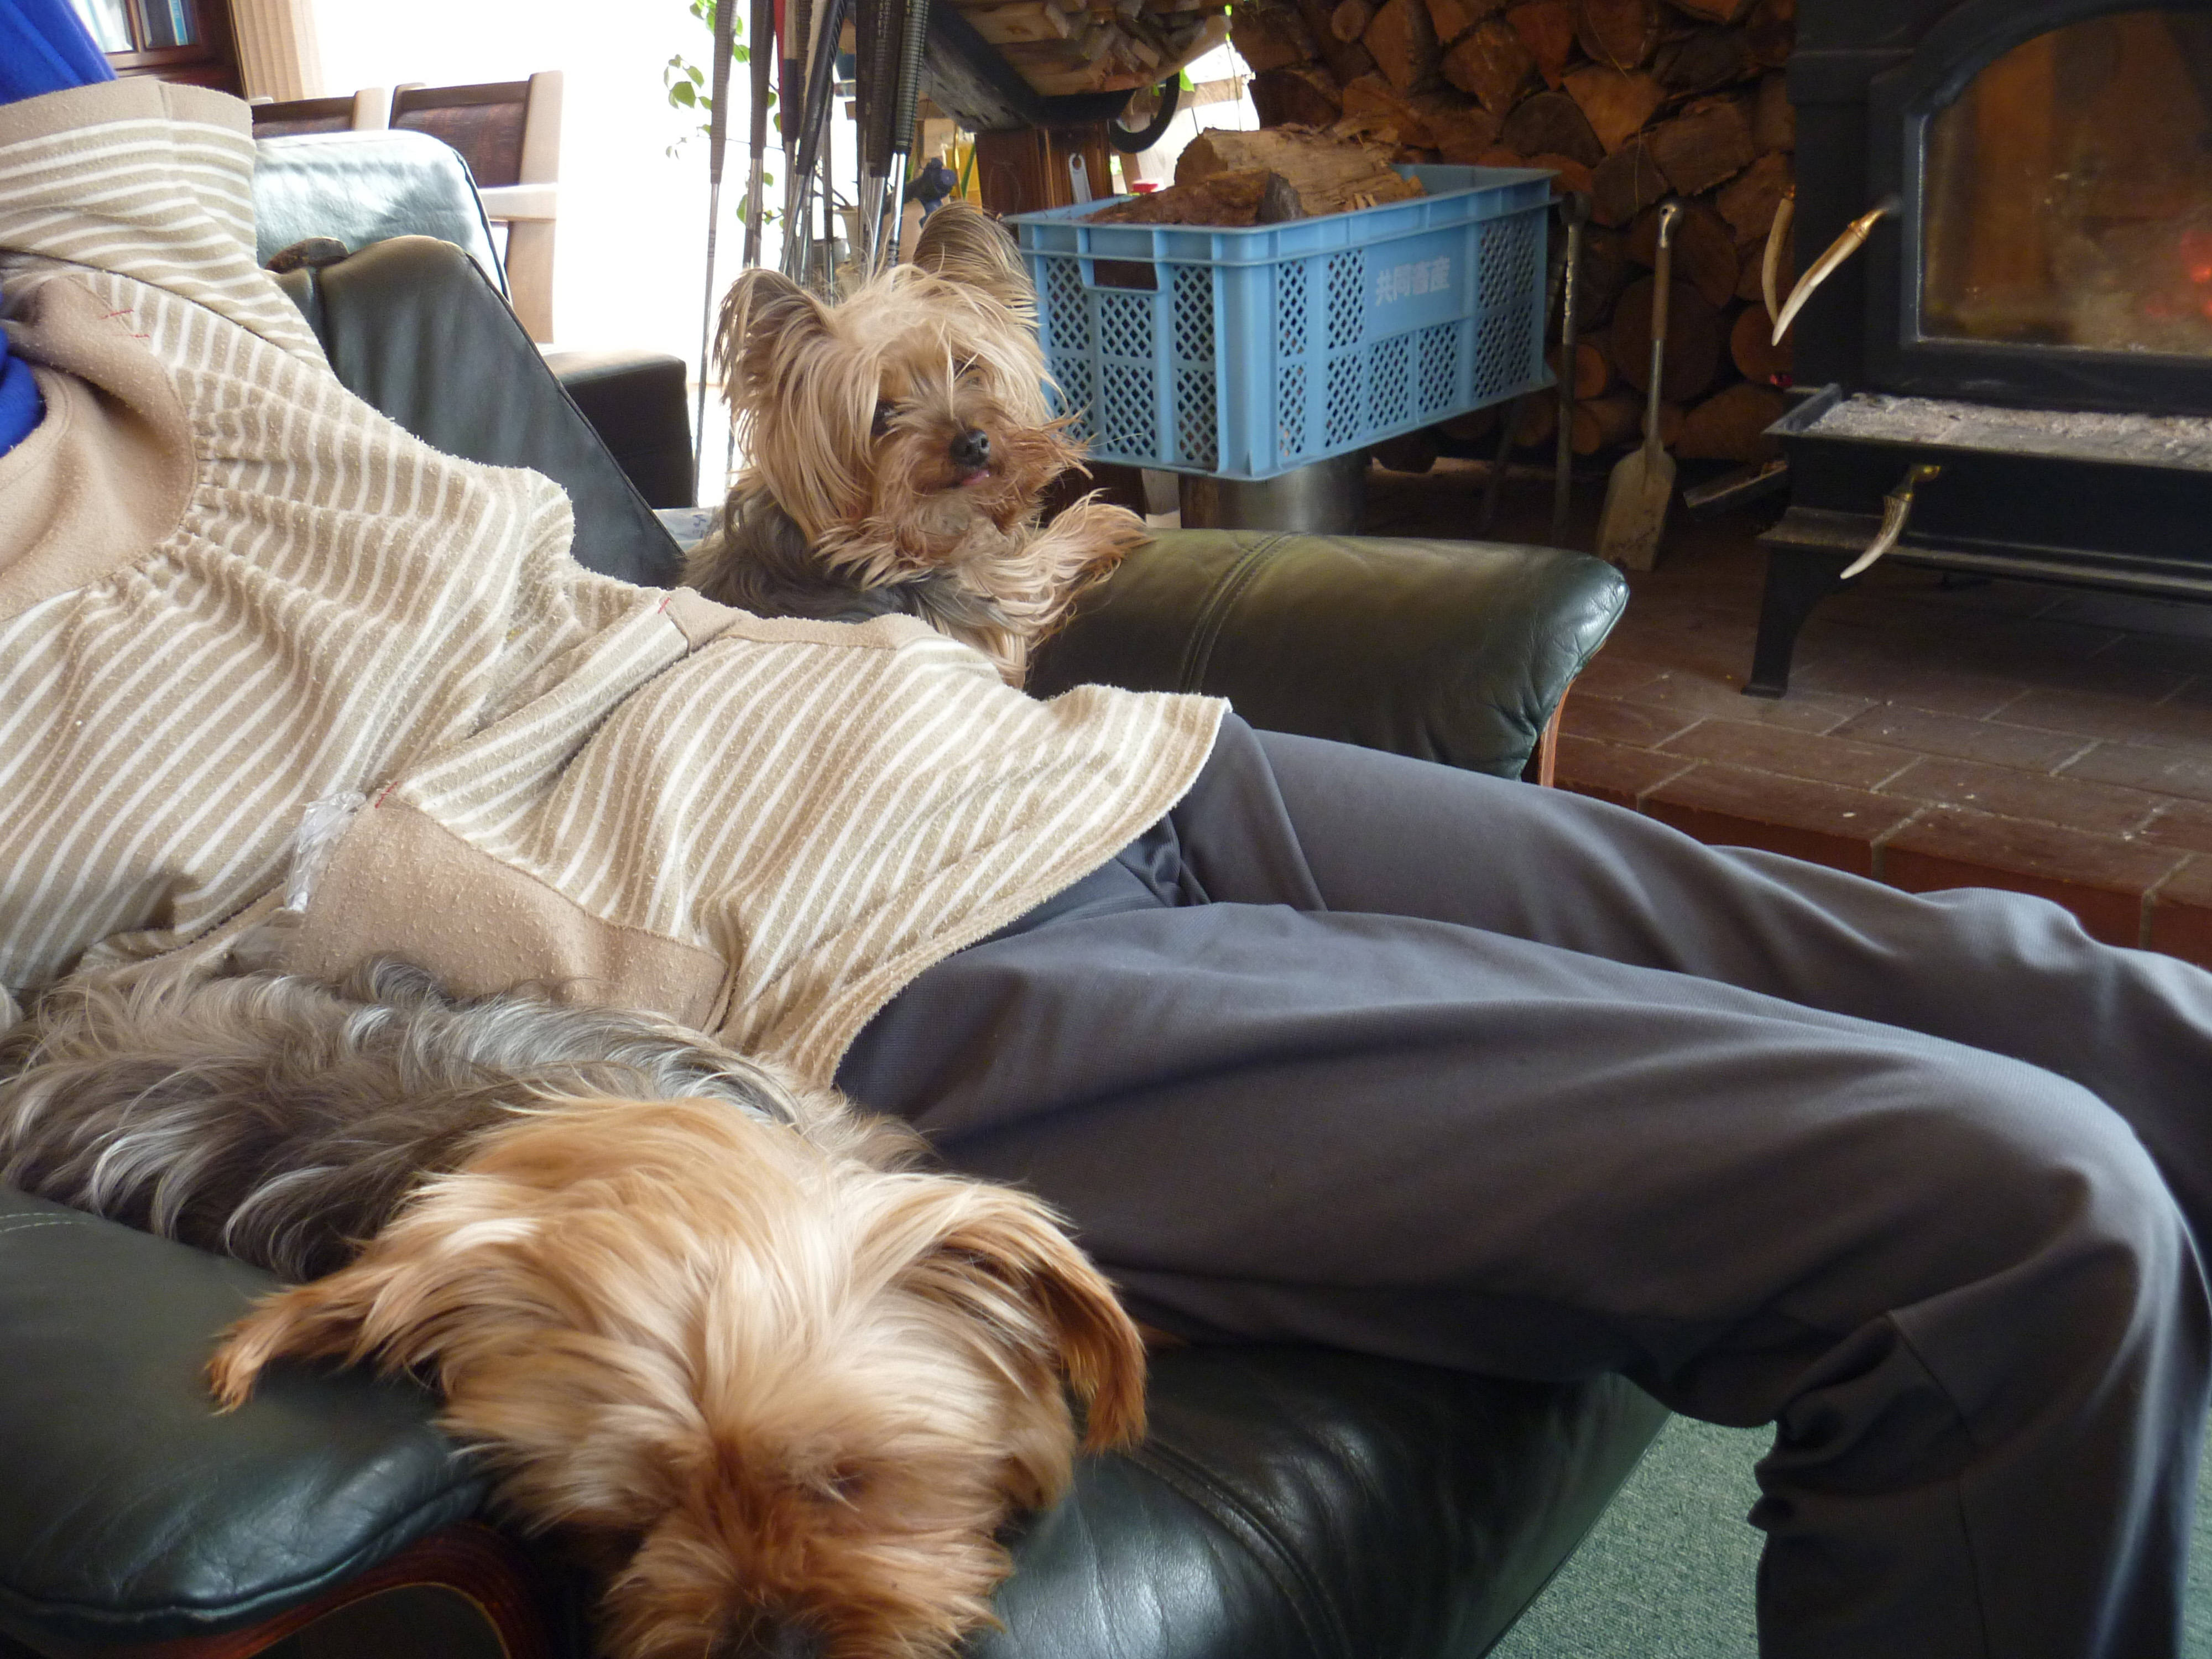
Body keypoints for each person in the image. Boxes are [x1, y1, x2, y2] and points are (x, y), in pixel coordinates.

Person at [1, 11, 2208, 1657]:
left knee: (2074, 1001)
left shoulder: (149, 309)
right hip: (877, 971)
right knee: (2022, 1214)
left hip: (1052, 752)